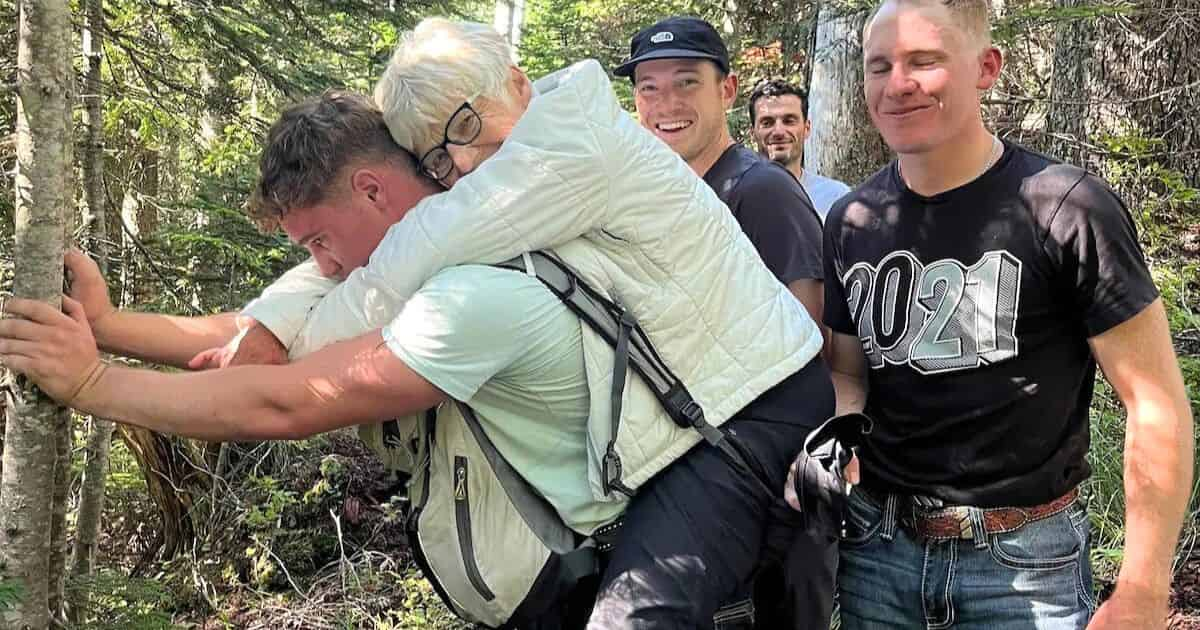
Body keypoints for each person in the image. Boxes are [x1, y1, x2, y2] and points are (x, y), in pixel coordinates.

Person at [6, 17, 837, 628]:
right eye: (443, 155)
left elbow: (316, 365)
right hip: (699, 420)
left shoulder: (552, 165)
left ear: (515, 81)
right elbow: (329, 278)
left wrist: (91, 381)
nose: (468, 164)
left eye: (468, 132)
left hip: (751, 410)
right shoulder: (495, 170)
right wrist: (121, 328)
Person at [800, 0, 1195, 628]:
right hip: (877, 552)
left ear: (987, 67)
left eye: (924, 62)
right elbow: (849, 373)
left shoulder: (1067, 209)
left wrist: (1144, 590)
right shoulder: (851, 221)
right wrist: (836, 444)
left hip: (1025, 566)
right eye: (879, 67)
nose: (897, 85)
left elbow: (1154, 402)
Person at [614, 16, 835, 629]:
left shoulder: (756, 190)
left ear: (728, 91)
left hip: (773, 484)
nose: (666, 105)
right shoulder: (653, 198)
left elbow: (807, 339)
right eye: (649, 88)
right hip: (693, 475)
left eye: (686, 82)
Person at [747, 80, 851, 220]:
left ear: (807, 128)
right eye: (767, 123)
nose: (778, 131)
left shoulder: (836, 197)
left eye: (789, 121)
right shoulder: (737, 199)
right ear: (752, 133)